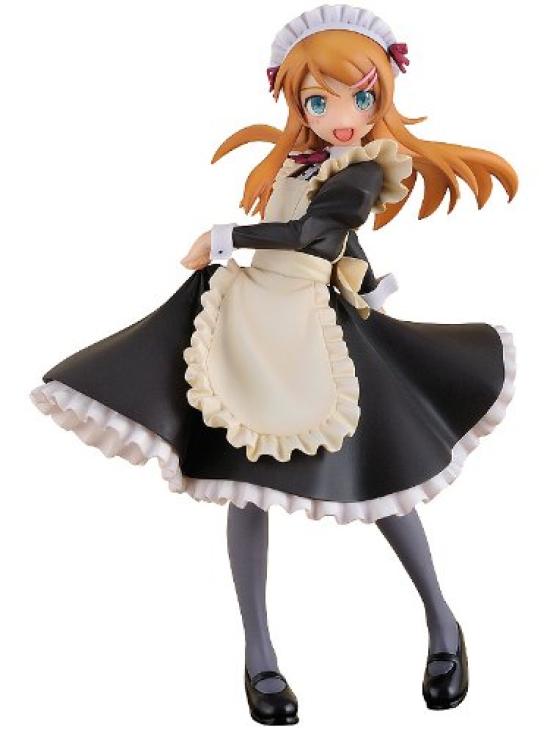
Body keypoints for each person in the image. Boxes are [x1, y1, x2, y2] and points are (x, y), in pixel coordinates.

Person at [31, 4, 517, 725]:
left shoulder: (367, 167)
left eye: (360, 98)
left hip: (312, 327)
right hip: (253, 316)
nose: (342, 117)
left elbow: (317, 233)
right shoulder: (302, 160)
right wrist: (356, 270)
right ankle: (260, 655)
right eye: (320, 102)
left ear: (382, 95)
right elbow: (329, 234)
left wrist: (228, 236)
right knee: (244, 483)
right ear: (298, 104)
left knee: (385, 476)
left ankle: (442, 622)